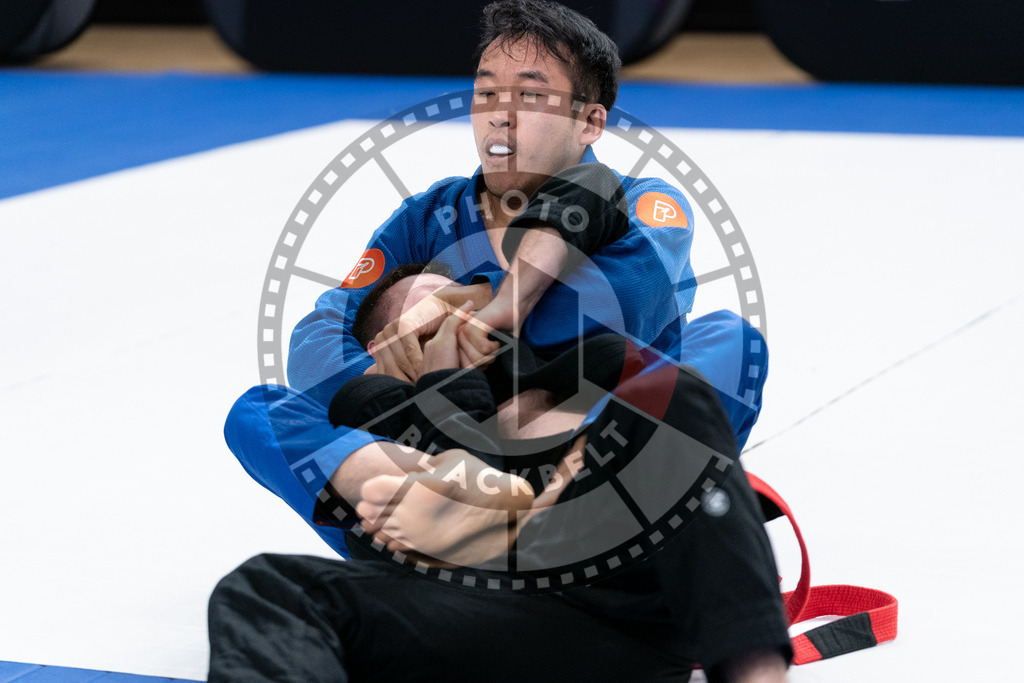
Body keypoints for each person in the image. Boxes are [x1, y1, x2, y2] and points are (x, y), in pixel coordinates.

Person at [224, 0, 767, 562]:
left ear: (591, 121)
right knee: (260, 412)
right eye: (485, 94)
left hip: (590, 445)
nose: (499, 114)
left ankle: (549, 509)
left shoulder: (647, 203)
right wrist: (386, 386)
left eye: (531, 95)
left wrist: (472, 310)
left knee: (730, 339)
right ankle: (448, 515)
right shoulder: (428, 216)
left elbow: (620, 305)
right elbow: (319, 333)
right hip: (435, 462)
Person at [209, 267, 792, 681]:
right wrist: (400, 451)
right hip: (483, 605)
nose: (455, 321)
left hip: (622, 592)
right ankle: (470, 504)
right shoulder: (372, 418)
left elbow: (710, 362)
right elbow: (258, 413)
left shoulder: (574, 376)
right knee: (262, 586)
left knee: (675, 393)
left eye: (460, 304)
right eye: (426, 318)